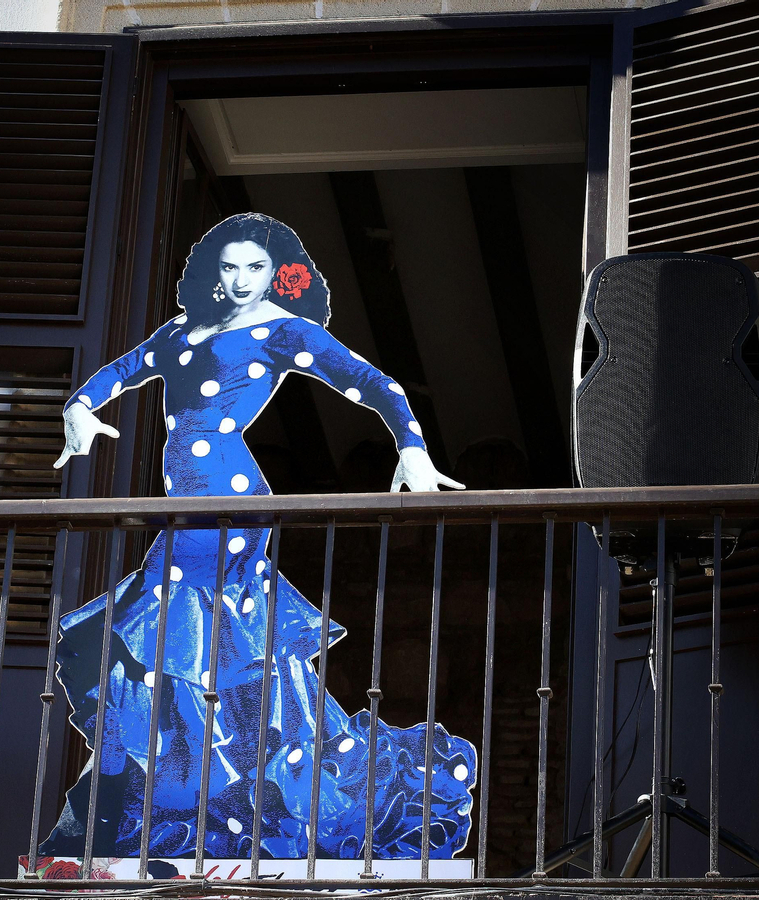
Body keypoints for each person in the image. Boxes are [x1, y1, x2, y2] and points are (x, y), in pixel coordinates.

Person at [40, 213, 475, 862]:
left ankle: (185, 788)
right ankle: (198, 787)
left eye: (256, 268)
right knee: (180, 645)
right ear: (214, 270)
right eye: (230, 267)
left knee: (164, 640)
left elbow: (369, 383)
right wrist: (78, 408)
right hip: (187, 509)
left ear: (277, 274)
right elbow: (122, 372)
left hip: (231, 505)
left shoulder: (279, 330)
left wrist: (411, 448)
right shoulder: (182, 332)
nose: (242, 280)